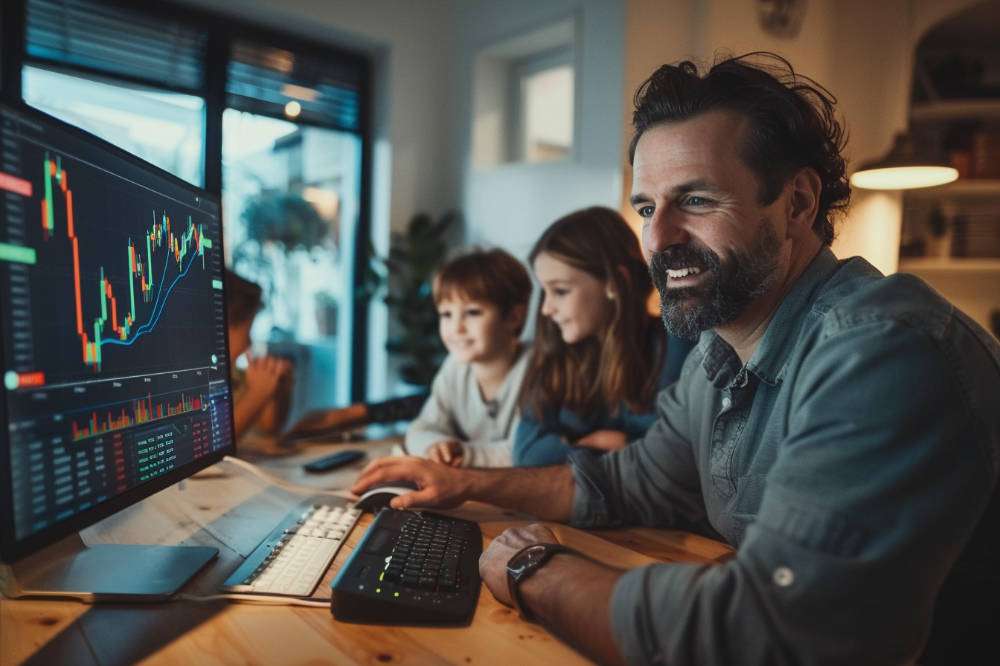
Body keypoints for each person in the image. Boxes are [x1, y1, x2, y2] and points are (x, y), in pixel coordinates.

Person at [352, 52, 1000, 666]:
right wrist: (467, 485)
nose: (658, 239)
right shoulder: (716, 354)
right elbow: (630, 482)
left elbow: (770, 635)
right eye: (645, 207)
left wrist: (535, 569)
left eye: (695, 200)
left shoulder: (883, 351)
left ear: (798, 203)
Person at [514, 207, 694, 466]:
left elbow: (671, 458)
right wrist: (600, 446)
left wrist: (569, 447)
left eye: (560, 291)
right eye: (545, 292)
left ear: (614, 282)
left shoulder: (676, 346)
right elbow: (527, 455)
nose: (546, 309)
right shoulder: (555, 353)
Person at [405, 248, 533, 467]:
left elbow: (526, 452)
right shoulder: (455, 367)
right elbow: (421, 428)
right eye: (446, 314)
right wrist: (436, 446)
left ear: (514, 317)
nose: (456, 328)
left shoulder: (537, 369)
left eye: (473, 312)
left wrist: (464, 454)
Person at [225, 270, 292, 443]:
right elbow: (215, 441)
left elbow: (268, 428)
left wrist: (275, 389)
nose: (248, 344)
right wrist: (257, 394)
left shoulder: (235, 376)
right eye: (246, 332)